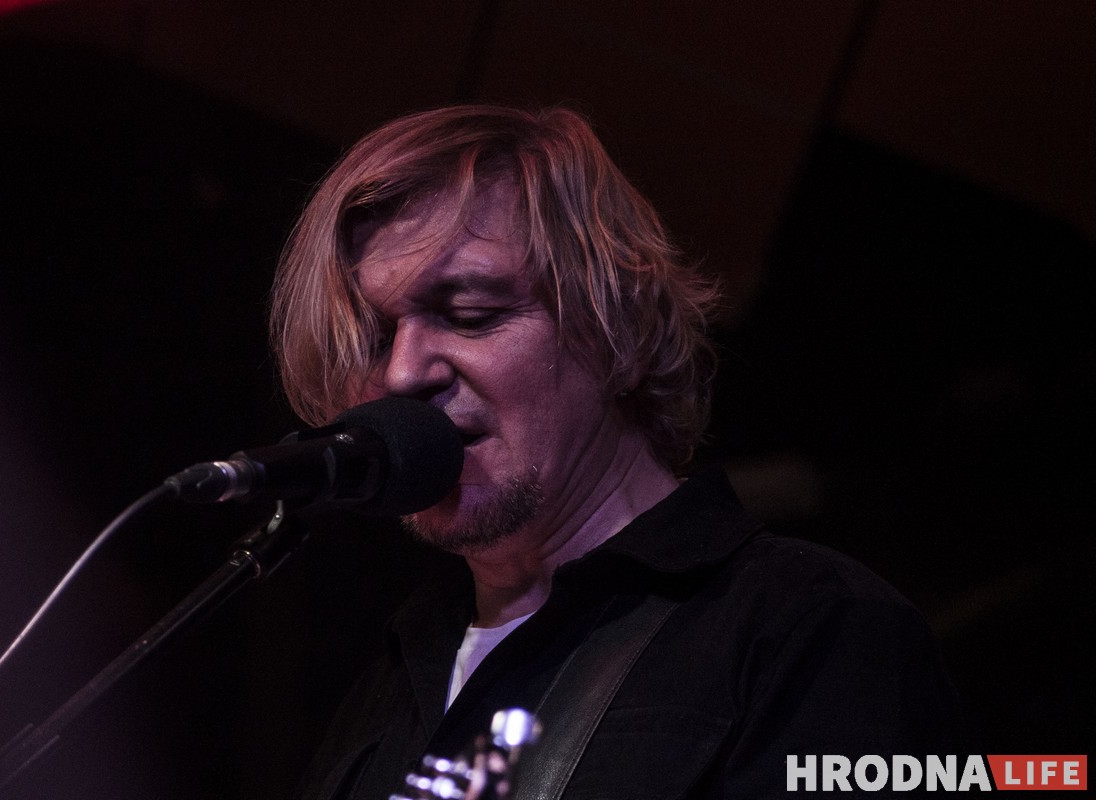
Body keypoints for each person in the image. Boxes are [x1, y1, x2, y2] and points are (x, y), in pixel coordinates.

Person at [270, 105, 966, 799]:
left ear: (619, 330)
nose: (402, 373)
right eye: (374, 340)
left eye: (469, 314)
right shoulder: (395, 673)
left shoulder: (809, 629)